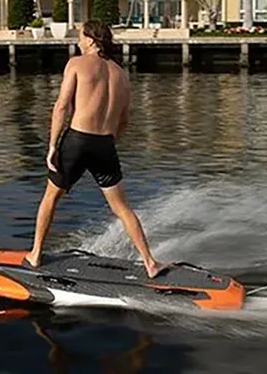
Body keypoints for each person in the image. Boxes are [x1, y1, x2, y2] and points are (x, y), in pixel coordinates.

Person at [23, 20, 165, 279]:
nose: (78, 41)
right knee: (122, 208)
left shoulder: (76, 64)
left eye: (80, 36)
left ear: (90, 39)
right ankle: (150, 262)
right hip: (105, 145)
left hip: (77, 141)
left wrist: (53, 145)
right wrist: (108, 144)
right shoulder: (121, 74)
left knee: (51, 198)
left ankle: (35, 254)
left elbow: (62, 107)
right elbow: (124, 121)